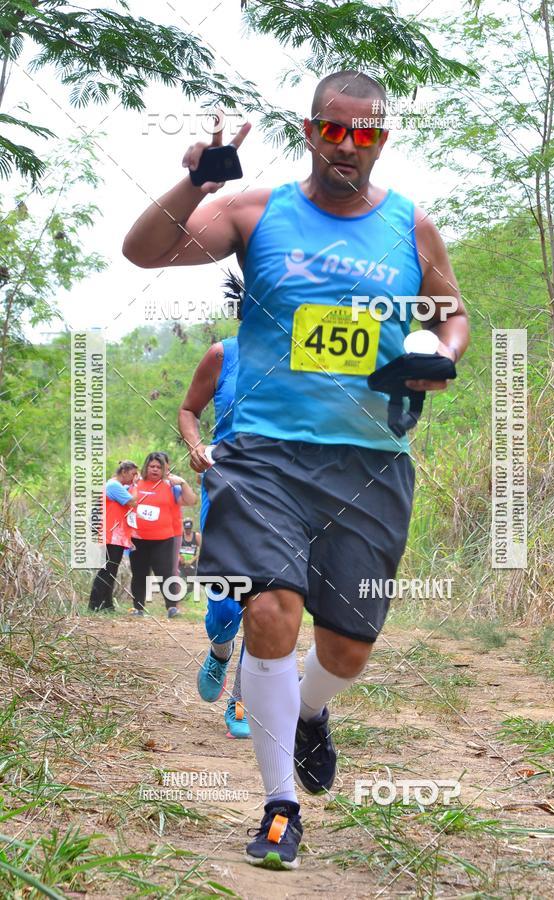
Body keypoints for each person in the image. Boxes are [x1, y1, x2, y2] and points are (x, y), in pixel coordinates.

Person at [124, 70, 469, 870]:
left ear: (383, 138)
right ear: (310, 129)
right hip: (265, 455)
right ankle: (280, 806)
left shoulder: (409, 227)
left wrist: (437, 357)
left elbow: (449, 313)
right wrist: (196, 178)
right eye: (334, 130)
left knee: (347, 649)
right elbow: (143, 252)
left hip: (371, 459)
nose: (349, 146)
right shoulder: (256, 210)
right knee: (271, 609)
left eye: (367, 133)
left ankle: (311, 711)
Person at [178, 274, 250, 739]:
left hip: (284, 491)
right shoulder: (222, 355)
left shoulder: (305, 360)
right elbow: (189, 410)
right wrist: (196, 445)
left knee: (268, 604)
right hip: (224, 487)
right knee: (225, 609)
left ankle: (241, 704)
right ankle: (219, 652)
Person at [129, 452, 194, 618]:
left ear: (164, 469)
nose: (155, 469)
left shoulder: (171, 486)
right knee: (139, 574)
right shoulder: (136, 484)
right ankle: (138, 608)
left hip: (163, 539)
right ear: (146, 467)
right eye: (152, 466)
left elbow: (191, 500)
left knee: (165, 573)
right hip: (138, 539)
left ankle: (172, 608)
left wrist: (183, 483)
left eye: (159, 467)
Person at [89, 460, 138, 612]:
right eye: (133, 474)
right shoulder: (113, 486)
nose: (135, 477)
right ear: (124, 472)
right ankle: (95, 604)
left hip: (116, 534)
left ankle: (107, 604)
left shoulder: (116, 486)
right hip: (111, 534)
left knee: (111, 570)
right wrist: (137, 485)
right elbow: (133, 502)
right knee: (107, 570)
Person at [156, 450, 197, 604]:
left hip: (172, 532)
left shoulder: (174, 484)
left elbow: (191, 500)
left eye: (162, 465)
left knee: (171, 567)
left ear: (167, 466)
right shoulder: (143, 483)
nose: (158, 468)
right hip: (146, 533)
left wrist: (182, 482)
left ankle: (173, 603)